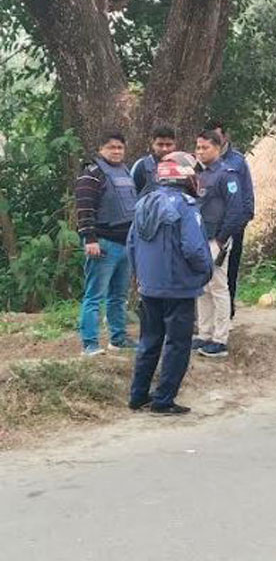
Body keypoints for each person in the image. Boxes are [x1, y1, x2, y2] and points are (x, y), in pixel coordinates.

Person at [128, 152, 213, 415]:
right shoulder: (186, 206)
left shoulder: (143, 204)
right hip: (178, 286)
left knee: (149, 341)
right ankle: (164, 400)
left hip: (149, 286)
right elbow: (194, 249)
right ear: (186, 176)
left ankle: (138, 396)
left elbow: (131, 245)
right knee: (177, 345)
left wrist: (141, 276)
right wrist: (205, 272)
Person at [75, 131, 137, 356]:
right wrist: (89, 239)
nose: (117, 151)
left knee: (118, 297)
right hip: (102, 245)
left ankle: (118, 339)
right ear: (101, 149)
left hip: (125, 245)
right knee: (94, 296)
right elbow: (84, 209)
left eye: (120, 147)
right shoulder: (91, 174)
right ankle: (90, 344)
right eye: (112, 147)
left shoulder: (126, 171)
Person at [193, 130, 246, 358]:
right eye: (198, 148)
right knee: (202, 288)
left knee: (218, 286)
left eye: (205, 148)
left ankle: (220, 339)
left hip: (218, 239)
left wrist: (221, 240)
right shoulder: (199, 175)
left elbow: (236, 211)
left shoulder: (227, 174)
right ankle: (204, 334)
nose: (200, 151)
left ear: (217, 148)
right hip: (199, 239)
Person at [207, 120, 254, 318]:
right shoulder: (201, 163)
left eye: (218, 137)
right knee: (208, 274)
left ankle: (228, 315)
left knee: (230, 270)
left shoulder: (237, 161)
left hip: (233, 226)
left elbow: (247, 193)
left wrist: (242, 220)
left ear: (225, 137)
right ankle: (208, 320)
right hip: (209, 230)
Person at [131, 123, 177, 198]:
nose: (164, 149)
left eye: (168, 145)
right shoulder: (142, 166)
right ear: (153, 144)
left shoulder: (182, 166)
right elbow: (131, 196)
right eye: (160, 144)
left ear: (175, 144)